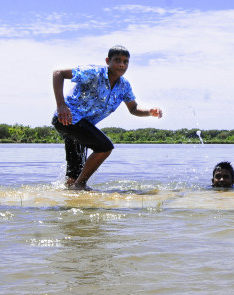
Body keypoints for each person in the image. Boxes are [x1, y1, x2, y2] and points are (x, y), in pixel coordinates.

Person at [52, 45, 162, 190]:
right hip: (68, 119)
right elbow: (58, 73)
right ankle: (81, 185)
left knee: (74, 173)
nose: (122, 64)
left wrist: (149, 111)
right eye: (117, 60)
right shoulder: (93, 73)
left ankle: (70, 199)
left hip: (82, 126)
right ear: (107, 61)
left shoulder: (124, 86)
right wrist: (61, 105)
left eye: (125, 61)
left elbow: (134, 108)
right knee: (104, 147)